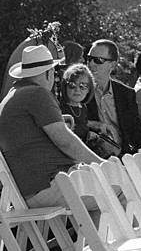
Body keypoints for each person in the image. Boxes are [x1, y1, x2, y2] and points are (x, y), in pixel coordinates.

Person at [0, 44, 103, 203]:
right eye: (54, 72)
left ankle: (93, 229)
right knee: (123, 186)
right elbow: (65, 142)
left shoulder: (15, 95)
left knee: (105, 201)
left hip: (32, 189)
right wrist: (102, 165)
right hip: (49, 185)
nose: (55, 78)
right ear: (48, 73)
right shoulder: (37, 93)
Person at [56, 61, 120, 158]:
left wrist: (90, 134)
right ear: (65, 86)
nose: (77, 89)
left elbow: (83, 124)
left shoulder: (83, 107)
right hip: (67, 154)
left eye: (83, 86)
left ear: (89, 89)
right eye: (72, 85)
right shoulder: (59, 106)